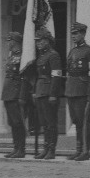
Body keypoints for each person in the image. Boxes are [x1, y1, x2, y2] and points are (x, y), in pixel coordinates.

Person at [65, 22, 90, 161]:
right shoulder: (72, 51)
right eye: (72, 33)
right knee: (76, 121)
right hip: (71, 90)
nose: (74, 36)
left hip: (83, 91)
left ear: (83, 34)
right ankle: (78, 149)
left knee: (84, 121)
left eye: (76, 33)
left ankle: (85, 151)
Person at [33, 28, 64, 160]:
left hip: (49, 92)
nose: (38, 43)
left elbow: (56, 76)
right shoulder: (41, 56)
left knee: (51, 122)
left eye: (41, 40)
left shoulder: (53, 55)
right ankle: (45, 148)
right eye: (37, 41)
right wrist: (36, 92)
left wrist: (53, 94)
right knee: (44, 123)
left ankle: (52, 149)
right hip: (41, 91)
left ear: (47, 41)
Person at [1, 31, 29, 158]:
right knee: (12, 122)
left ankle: (21, 149)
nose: (8, 44)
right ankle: (15, 147)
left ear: (15, 42)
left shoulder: (22, 57)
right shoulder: (11, 57)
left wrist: (21, 96)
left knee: (18, 122)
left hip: (16, 93)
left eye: (9, 41)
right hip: (8, 93)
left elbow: (24, 78)